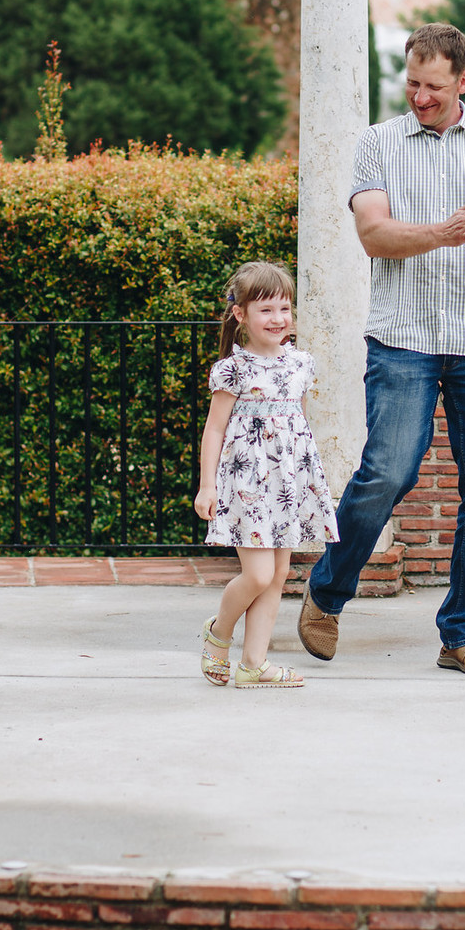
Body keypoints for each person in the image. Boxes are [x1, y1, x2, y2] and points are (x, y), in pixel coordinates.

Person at [299, 22, 465, 677]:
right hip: (402, 339)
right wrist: (443, 231)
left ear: (463, 81)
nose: (420, 97)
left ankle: (463, 633)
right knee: (388, 473)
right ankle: (327, 592)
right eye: (412, 84)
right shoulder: (377, 145)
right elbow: (374, 235)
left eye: (433, 86)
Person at [194, 260, 339, 689]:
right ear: (240, 314)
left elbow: (299, 424)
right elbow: (215, 429)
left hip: (286, 483)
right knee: (256, 575)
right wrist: (207, 486)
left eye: (284, 309)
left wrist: (306, 481)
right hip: (247, 483)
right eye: (266, 310)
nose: (278, 319)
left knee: (277, 575)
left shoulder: (300, 364)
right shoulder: (233, 369)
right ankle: (219, 632)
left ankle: (254, 663)